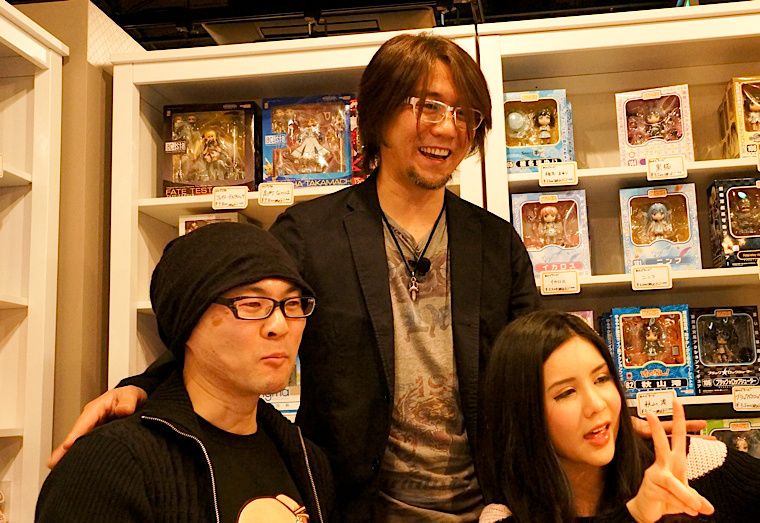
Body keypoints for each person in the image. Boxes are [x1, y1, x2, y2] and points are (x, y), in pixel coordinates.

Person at [50, 33, 541, 521]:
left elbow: (539, 358)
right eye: (429, 107)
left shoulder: (495, 243)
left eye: (465, 114)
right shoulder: (311, 233)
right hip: (349, 508)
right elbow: (227, 314)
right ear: (379, 112)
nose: (449, 128)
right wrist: (143, 385)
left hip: (486, 509)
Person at [36, 222, 334, 522]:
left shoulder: (306, 461)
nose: (280, 326)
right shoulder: (111, 463)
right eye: (252, 304)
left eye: (292, 304)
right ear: (188, 322)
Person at [478, 308, 760, 522]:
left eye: (601, 379)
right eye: (566, 392)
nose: (596, 404)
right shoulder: (504, 515)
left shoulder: (687, 461)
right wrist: (636, 515)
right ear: (524, 413)